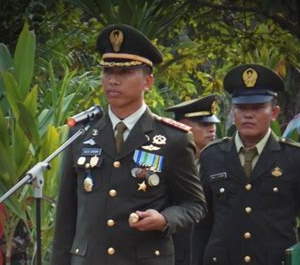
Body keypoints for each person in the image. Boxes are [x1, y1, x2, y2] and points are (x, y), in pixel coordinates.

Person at [51, 23, 207, 265]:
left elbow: (194, 204)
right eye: (108, 72)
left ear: (148, 82)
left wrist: (165, 219)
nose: (113, 80)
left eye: (124, 73)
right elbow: (66, 217)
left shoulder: (172, 139)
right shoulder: (80, 134)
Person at [191, 64, 300, 264]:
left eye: (257, 107)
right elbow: (202, 223)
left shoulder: (296, 158)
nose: (248, 115)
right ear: (233, 111)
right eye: (241, 108)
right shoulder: (212, 156)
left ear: (274, 112)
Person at [165, 94, 221, 265]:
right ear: (182, 126)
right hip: (173, 250)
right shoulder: (164, 161)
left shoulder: (220, 163)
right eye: (204, 124)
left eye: (213, 124)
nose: (211, 129)